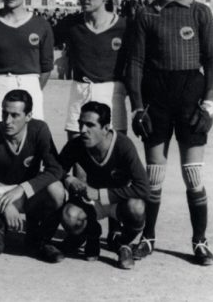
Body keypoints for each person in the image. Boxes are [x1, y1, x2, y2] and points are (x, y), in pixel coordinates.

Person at [125, 0, 213, 266]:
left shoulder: (200, 13)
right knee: (154, 177)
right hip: (157, 98)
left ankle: (199, 242)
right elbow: (136, 64)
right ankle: (148, 238)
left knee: (193, 175)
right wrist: (138, 107)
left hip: (190, 96)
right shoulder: (146, 14)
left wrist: (208, 104)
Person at [0, 90, 66, 262]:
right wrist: (3, 203)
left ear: (28, 115)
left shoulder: (39, 130)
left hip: (24, 191)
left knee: (57, 190)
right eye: (5, 113)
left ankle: (40, 239)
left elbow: (55, 169)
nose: (8, 121)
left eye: (15, 115)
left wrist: (22, 188)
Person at [59, 102, 149, 269]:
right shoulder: (78, 144)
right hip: (93, 203)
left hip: (119, 202)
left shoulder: (123, 145)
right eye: (81, 124)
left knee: (137, 207)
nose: (83, 130)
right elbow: (54, 169)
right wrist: (67, 178)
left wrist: (100, 194)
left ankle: (123, 243)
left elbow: (143, 187)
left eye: (90, 125)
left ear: (106, 128)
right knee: (70, 215)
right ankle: (91, 233)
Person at [54, 0, 129, 141]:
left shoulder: (124, 27)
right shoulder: (70, 24)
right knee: (77, 153)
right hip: (80, 91)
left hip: (111, 94)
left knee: (112, 152)